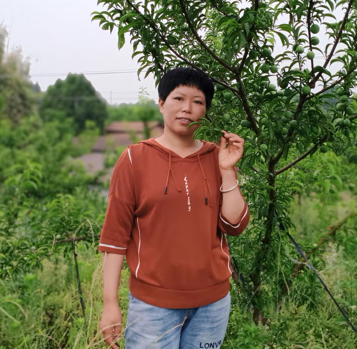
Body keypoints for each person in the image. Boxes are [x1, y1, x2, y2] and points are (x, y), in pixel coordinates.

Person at [99, 67, 250, 348]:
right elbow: (114, 239)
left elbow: (235, 225)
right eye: (178, 98)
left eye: (198, 101)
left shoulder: (217, 157)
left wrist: (228, 171)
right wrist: (110, 304)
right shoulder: (134, 159)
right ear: (161, 103)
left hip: (212, 304)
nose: (187, 108)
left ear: (206, 110)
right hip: (152, 307)